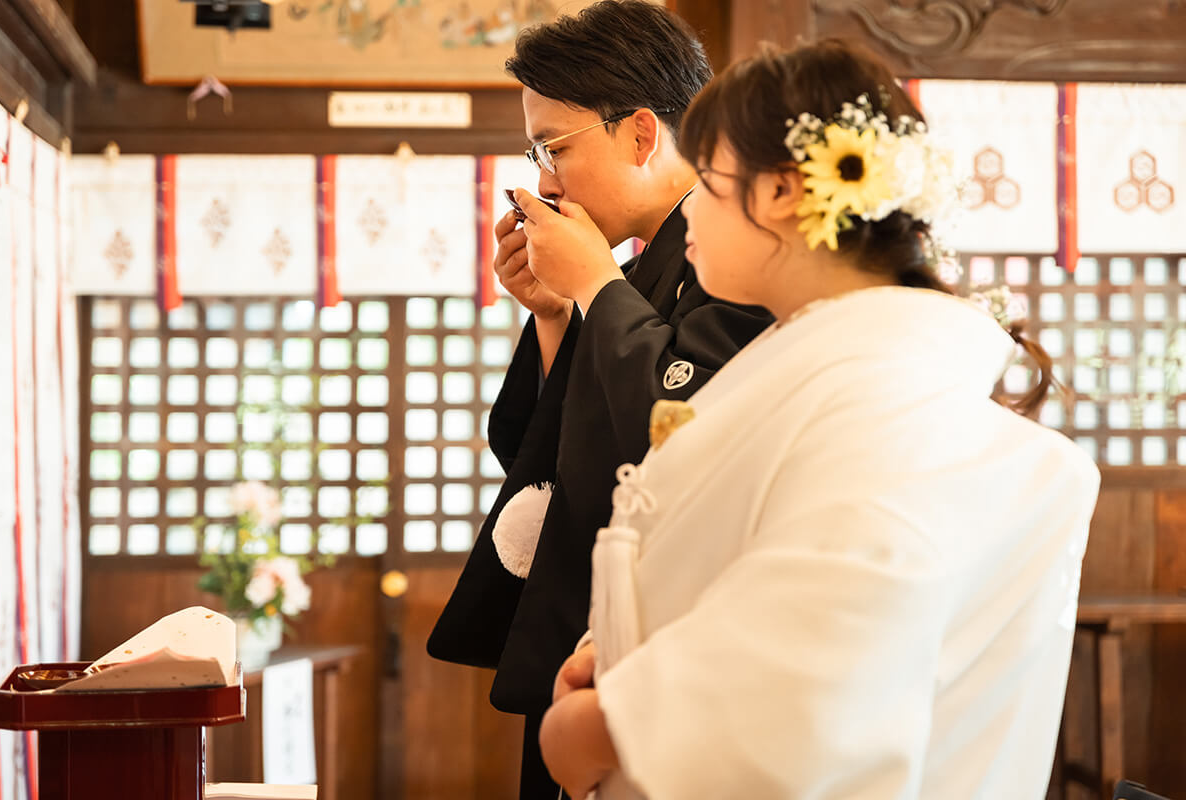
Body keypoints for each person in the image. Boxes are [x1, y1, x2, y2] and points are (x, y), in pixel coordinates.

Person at [538, 41, 1101, 799]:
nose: (689, 205)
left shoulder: (885, 410)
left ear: (779, 192)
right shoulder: (831, 374)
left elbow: (806, 688)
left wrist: (596, 729)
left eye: (705, 179)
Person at [425, 2, 772, 797]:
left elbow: (684, 432)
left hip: (663, 640)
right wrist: (554, 316)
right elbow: (555, 452)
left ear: (642, 134)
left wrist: (588, 283)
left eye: (554, 148)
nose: (544, 180)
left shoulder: (735, 244)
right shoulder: (646, 261)